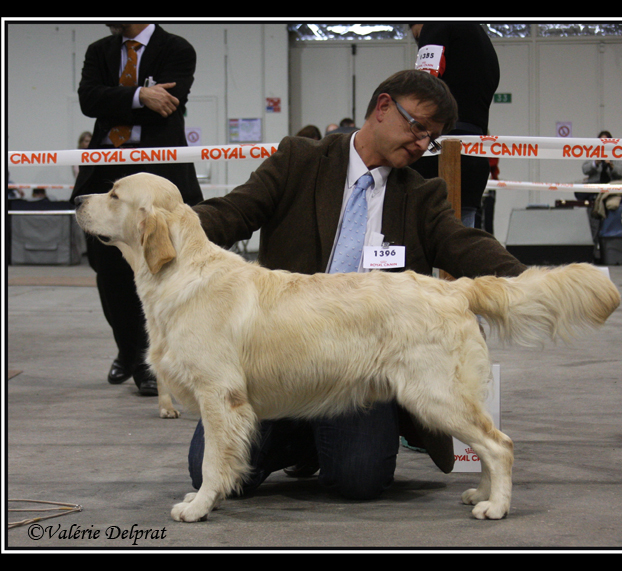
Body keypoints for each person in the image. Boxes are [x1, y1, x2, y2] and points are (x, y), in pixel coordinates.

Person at [187, 69, 527, 501]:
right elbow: (233, 211)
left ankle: (318, 443)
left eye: (432, 137)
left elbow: (465, 244)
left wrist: (523, 282)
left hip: (358, 369)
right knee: (207, 476)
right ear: (383, 107)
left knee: (358, 481)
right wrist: (172, 227)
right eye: (418, 126)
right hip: (275, 360)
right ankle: (300, 441)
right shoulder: (299, 159)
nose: (423, 143)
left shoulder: (422, 195)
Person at [70, 23, 203, 396]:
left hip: (161, 177)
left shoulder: (177, 48)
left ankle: (159, 359)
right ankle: (130, 352)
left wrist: (123, 99)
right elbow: (88, 101)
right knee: (109, 273)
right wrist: (140, 95)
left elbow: (166, 106)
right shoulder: (100, 51)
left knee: (166, 270)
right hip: (105, 173)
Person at [409, 23, 500, 229]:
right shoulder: (484, 43)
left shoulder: (435, 26)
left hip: (437, 155)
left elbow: (425, 85)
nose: (419, 41)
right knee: (461, 243)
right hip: (475, 156)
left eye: (417, 36)